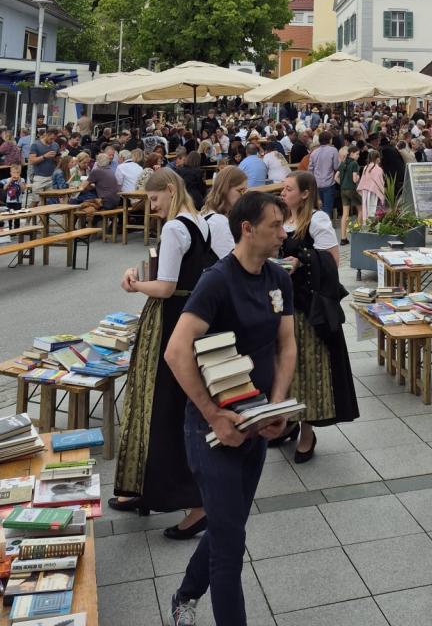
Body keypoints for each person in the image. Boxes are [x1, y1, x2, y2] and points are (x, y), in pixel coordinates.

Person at [164, 191, 297, 626]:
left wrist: (277, 403)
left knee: (230, 525)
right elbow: (176, 351)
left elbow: (286, 343)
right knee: (229, 545)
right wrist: (213, 414)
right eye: (275, 225)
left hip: (255, 423)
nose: (283, 233)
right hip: (212, 429)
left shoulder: (278, 278)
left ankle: (184, 595)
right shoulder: (217, 280)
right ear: (247, 228)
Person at [110, 168, 226, 540]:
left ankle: (191, 501)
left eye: (154, 199)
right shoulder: (200, 222)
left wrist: (134, 283)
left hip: (170, 322)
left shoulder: (176, 227)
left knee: (159, 407)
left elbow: (165, 287)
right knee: (167, 406)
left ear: (171, 190)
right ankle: (146, 488)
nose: (152, 206)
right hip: (188, 318)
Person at [277, 171, 359, 460]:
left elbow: (333, 262)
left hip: (307, 308)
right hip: (280, 308)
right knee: (284, 370)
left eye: (288, 189)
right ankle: (286, 420)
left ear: (305, 193)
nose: (283, 193)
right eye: (283, 188)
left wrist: (303, 260)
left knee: (308, 371)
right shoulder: (280, 220)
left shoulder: (317, 221)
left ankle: (306, 432)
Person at [199, 165, 246, 257]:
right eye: (240, 191)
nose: (243, 196)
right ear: (225, 189)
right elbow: (236, 262)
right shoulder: (217, 221)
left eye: (245, 191)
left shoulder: (209, 213)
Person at [307, 131, 340, 218]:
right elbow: (336, 166)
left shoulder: (314, 152)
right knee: (328, 208)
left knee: (318, 207)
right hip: (329, 182)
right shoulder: (333, 150)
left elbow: (310, 169)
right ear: (329, 140)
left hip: (316, 183)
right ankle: (326, 226)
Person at [337, 142, 361, 244]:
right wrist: (359, 177)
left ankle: (343, 238)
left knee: (345, 214)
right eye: (357, 154)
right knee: (361, 209)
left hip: (343, 190)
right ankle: (357, 233)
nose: (358, 156)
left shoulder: (342, 163)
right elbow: (354, 179)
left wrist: (342, 183)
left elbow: (335, 177)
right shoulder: (354, 164)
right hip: (352, 190)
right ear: (351, 153)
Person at [28, 129, 59, 200]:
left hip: (51, 176)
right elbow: (31, 161)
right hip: (39, 177)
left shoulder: (55, 145)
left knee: (50, 202)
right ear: (46, 135)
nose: (52, 141)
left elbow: (58, 160)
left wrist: (57, 160)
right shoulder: (36, 145)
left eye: (54, 139)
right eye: (51, 138)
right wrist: (44, 156)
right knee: (36, 201)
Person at [358, 148, 385, 223]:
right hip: (374, 193)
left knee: (366, 209)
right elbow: (380, 183)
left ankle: (366, 225)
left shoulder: (366, 167)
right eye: (379, 157)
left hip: (365, 192)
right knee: (373, 210)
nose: (380, 159)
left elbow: (363, 180)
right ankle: (373, 226)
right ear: (376, 158)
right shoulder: (378, 169)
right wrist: (382, 193)